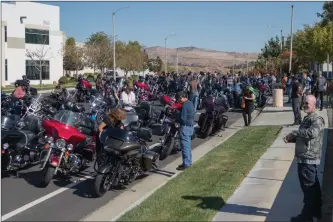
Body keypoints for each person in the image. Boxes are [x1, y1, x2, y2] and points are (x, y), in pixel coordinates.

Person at [284, 95, 325, 222]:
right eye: (304, 102)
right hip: (305, 158)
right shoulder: (308, 118)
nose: (305, 104)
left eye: (307, 103)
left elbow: (313, 133)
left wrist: (296, 133)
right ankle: (317, 211)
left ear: (314, 104)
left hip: (308, 159)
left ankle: (306, 217)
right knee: (313, 187)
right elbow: (305, 136)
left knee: (308, 189)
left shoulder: (317, 119)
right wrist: (292, 139)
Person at [177, 92, 195, 171]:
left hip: (185, 127)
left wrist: (177, 119)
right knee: (188, 146)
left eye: (179, 99)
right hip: (190, 126)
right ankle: (188, 161)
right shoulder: (190, 103)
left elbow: (183, 118)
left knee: (184, 146)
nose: (179, 101)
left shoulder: (184, 105)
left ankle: (186, 163)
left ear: (182, 97)